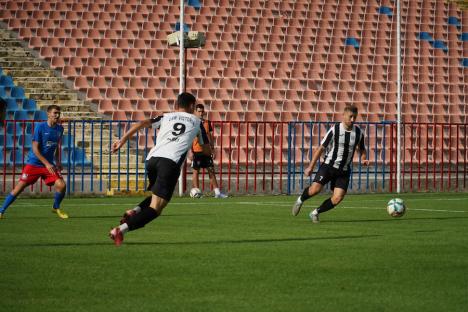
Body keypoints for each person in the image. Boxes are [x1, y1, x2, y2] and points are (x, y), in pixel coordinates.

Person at [109, 92, 211, 246]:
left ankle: (135, 211)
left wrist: (122, 141)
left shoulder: (166, 116)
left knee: (158, 197)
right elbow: (205, 149)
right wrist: (206, 150)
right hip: (169, 162)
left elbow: (141, 123)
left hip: (152, 159)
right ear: (192, 106)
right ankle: (120, 230)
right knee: (156, 208)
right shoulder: (197, 122)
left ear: (177, 105)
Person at [292, 105, 369, 223]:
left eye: (355, 117)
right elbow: (321, 148)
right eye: (350, 116)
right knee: (315, 190)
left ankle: (315, 213)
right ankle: (300, 200)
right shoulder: (335, 130)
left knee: (338, 198)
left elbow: (362, 149)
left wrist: (364, 159)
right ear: (344, 115)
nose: (353, 120)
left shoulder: (359, 133)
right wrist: (310, 167)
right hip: (329, 166)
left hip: (344, 170)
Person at [0, 105, 68, 219]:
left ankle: (56, 207)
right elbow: (35, 149)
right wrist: (47, 163)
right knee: (19, 188)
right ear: (48, 114)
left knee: (61, 185)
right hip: (34, 164)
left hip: (48, 165)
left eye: (58, 113)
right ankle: (1, 211)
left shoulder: (60, 129)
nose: (57, 115)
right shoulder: (40, 127)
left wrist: (57, 160)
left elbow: (56, 146)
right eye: (55, 113)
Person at [188, 103, 227, 198]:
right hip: (196, 150)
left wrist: (212, 149)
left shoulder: (207, 122)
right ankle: (197, 192)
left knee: (211, 170)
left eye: (202, 111)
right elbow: (189, 137)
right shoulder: (192, 122)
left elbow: (210, 136)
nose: (201, 113)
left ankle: (217, 193)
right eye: (199, 111)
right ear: (195, 112)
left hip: (206, 150)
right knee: (196, 171)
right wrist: (190, 151)